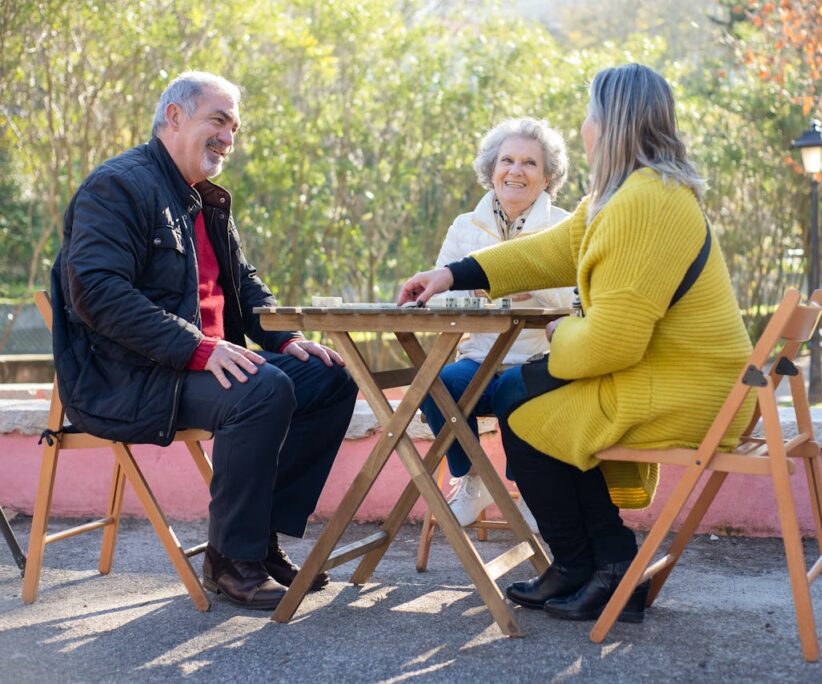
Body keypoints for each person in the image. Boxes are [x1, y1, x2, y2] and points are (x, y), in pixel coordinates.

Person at [398, 64, 755, 623]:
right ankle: (583, 566)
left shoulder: (647, 202)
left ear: (612, 124)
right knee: (521, 397)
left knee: (522, 404)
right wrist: (450, 274)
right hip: (675, 379)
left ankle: (607, 568)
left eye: (590, 115)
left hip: (693, 392)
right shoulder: (623, 195)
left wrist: (561, 331)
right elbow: (547, 252)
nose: (584, 126)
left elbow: (612, 342)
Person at [51, 72, 358, 610]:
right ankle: (229, 559)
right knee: (261, 391)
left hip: (202, 363)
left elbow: (242, 282)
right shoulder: (118, 186)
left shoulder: (204, 200)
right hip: (132, 376)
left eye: (233, 128)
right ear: (174, 117)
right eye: (217, 121)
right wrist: (200, 348)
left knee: (330, 376)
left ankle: (258, 540)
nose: (227, 138)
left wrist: (285, 339)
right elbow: (96, 293)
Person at [419, 118, 573, 532]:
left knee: (513, 390)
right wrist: (474, 291)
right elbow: (438, 294)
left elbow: (581, 301)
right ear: (491, 169)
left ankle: (533, 488)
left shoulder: (566, 226)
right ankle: (472, 479)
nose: (516, 171)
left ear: (547, 177)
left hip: (540, 359)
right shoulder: (463, 227)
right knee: (435, 385)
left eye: (529, 163)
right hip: (478, 357)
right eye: (507, 160)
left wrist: (532, 284)